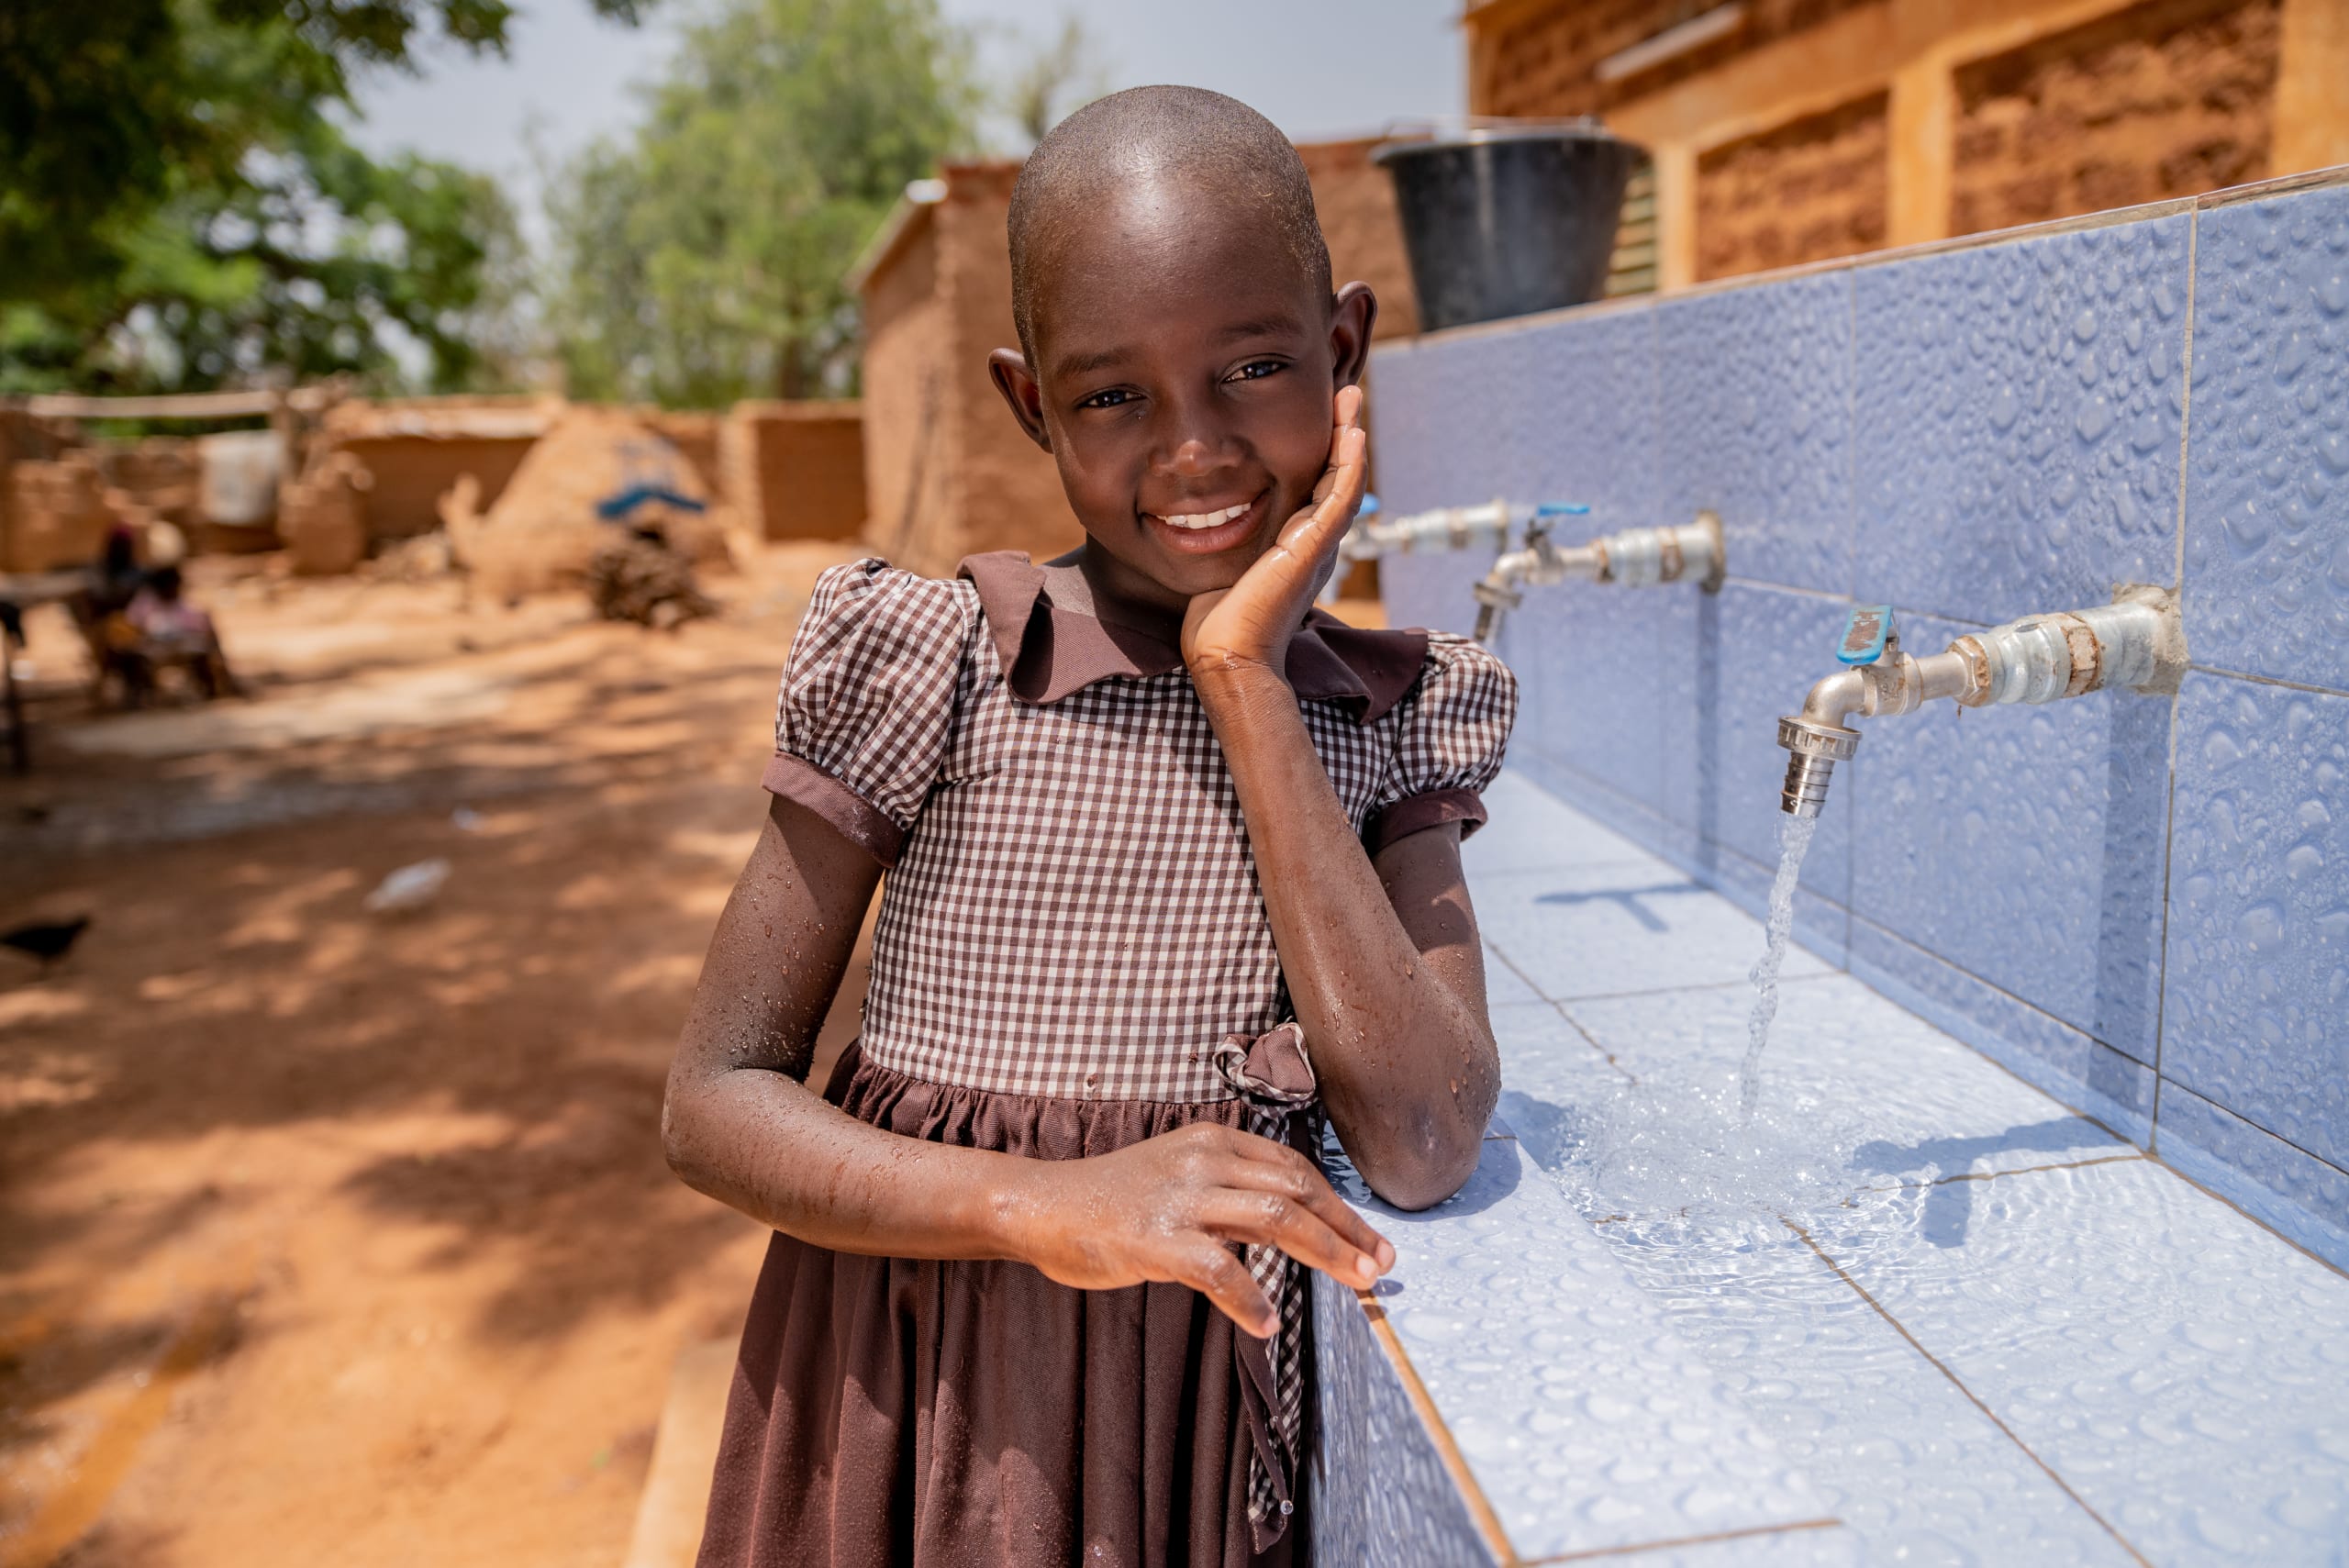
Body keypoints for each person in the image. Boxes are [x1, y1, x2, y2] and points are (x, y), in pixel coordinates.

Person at [665, 85, 1517, 1568]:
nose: (1193, 451)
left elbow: (1426, 1133)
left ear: (1344, 352)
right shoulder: (937, 663)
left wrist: (1245, 675)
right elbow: (714, 1098)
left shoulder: (1383, 725)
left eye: (1254, 366)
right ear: (1031, 405)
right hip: (919, 1410)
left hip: (1171, 1450)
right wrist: (1042, 1201)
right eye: (1113, 395)